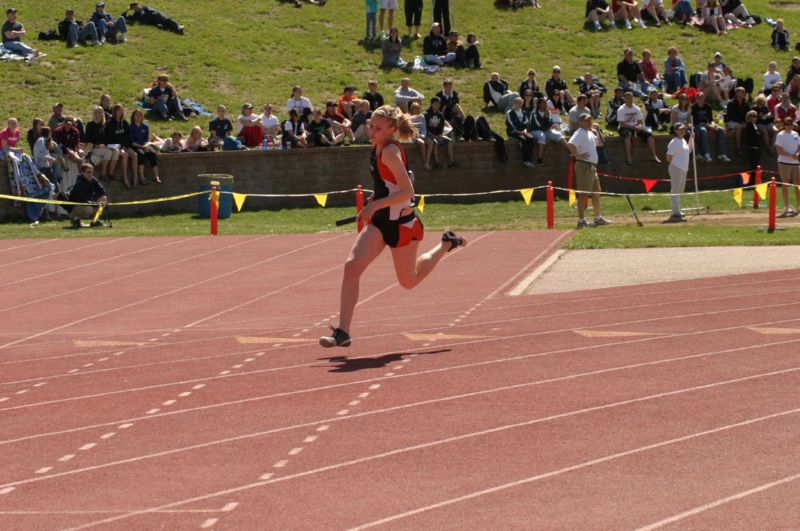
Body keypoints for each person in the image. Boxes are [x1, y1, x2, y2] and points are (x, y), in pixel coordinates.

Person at [319, 105, 466, 348]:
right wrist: (374, 200)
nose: (371, 131)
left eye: (377, 128)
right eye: (371, 126)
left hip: (402, 225)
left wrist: (374, 207)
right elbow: (388, 185)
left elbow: (408, 191)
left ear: (391, 130)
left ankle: (446, 244)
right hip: (380, 222)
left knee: (409, 281)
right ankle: (343, 332)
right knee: (352, 267)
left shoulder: (389, 152)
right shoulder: (375, 148)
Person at [567, 113, 612, 228]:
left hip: (592, 166)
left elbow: (601, 143)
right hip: (584, 166)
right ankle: (581, 220)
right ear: (581, 122)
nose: (589, 122)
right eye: (587, 121)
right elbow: (570, 144)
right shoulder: (580, 132)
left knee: (596, 192)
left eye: (590, 120)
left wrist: (597, 131)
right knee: (583, 193)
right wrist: (578, 156)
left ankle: (598, 217)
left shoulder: (590, 133)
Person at [617, 91, 660, 164]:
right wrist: (634, 128)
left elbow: (640, 121)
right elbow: (621, 124)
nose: (630, 100)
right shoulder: (621, 109)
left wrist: (640, 127)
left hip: (635, 126)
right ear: (625, 99)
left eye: (631, 98)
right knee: (628, 136)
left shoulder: (636, 108)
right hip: (624, 127)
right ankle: (629, 158)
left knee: (650, 135)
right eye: (628, 98)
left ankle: (654, 156)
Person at [665, 122, 693, 222]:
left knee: (680, 189)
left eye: (684, 129)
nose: (682, 131)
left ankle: (677, 210)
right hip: (676, 168)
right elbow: (668, 157)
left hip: (684, 168)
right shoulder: (674, 142)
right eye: (680, 129)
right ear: (676, 130)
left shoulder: (683, 140)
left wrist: (692, 139)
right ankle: (675, 211)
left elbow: (688, 150)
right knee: (676, 189)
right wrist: (677, 163)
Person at [692, 93, 730, 162]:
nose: (702, 100)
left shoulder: (708, 107)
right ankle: (707, 154)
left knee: (721, 130)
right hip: (697, 126)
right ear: (696, 99)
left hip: (707, 125)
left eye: (703, 98)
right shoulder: (693, 107)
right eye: (700, 98)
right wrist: (707, 126)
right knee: (704, 130)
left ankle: (722, 154)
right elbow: (695, 122)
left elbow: (710, 119)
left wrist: (713, 125)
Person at [106, 104, 138, 187]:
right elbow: (109, 137)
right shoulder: (110, 123)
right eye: (119, 110)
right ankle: (125, 177)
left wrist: (124, 145)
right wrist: (119, 146)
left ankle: (135, 177)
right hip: (114, 146)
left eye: (122, 110)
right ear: (115, 111)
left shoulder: (124, 122)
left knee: (134, 155)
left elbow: (128, 136)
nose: (121, 112)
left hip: (124, 145)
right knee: (125, 155)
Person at [530, 97, 568, 164]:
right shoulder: (533, 113)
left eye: (546, 103)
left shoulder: (548, 112)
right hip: (535, 131)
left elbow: (550, 123)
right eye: (544, 103)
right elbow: (537, 125)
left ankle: (571, 150)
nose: (546, 105)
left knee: (558, 134)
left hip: (545, 130)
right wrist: (548, 127)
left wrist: (546, 116)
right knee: (541, 136)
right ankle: (540, 157)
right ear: (539, 105)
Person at [69, 163, 107, 228]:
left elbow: (102, 191)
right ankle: (75, 219)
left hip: (87, 203)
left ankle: (96, 220)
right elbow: (81, 200)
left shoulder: (93, 180)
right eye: (88, 172)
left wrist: (97, 201)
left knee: (103, 198)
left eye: (92, 172)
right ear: (82, 173)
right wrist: (95, 203)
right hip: (75, 207)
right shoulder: (79, 183)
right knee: (90, 209)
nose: (90, 174)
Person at [775, 117, 800, 216]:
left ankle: (799, 206)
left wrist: (797, 154)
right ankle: (786, 207)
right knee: (785, 184)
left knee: (797, 185)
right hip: (784, 162)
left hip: (795, 163)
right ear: (784, 125)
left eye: (790, 124)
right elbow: (779, 150)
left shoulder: (796, 134)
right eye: (787, 124)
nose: (789, 126)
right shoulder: (780, 135)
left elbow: (798, 147)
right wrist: (791, 155)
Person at [84, 106, 117, 180]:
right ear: (94, 114)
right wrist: (97, 144)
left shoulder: (103, 125)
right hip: (93, 148)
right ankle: (103, 173)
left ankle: (111, 173)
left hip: (102, 147)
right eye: (97, 112)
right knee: (108, 152)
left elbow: (106, 138)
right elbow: (88, 139)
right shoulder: (90, 124)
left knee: (116, 150)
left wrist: (104, 144)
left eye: (101, 112)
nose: (99, 114)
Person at [129, 108, 161, 183]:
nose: (138, 116)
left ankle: (156, 176)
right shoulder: (131, 127)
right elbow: (131, 142)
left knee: (153, 153)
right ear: (133, 117)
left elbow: (146, 140)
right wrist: (142, 147)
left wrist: (146, 145)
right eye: (136, 115)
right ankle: (142, 177)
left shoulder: (145, 126)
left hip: (144, 145)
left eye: (140, 115)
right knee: (141, 154)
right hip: (135, 146)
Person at [424, 97, 455, 169]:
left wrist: (440, 135)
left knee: (450, 141)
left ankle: (451, 161)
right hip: (429, 135)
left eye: (439, 104)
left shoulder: (440, 115)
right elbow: (426, 128)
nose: (438, 105)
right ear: (431, 104)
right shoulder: (426, 115)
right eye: (436, 104)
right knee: (434, 142)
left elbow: (441, 127)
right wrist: (434, 136)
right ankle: (437, 162)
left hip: (438, 135)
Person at [506, 97, 535, 167]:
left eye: (521, 103)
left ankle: (529, 160)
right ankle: (525, 160)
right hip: (513, 132)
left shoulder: (523, 112)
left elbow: (526, 123)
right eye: (518, 103)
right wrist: (520, 132)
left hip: (523, 131)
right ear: (515, 103)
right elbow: (511, 125)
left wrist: (525, 130)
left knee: (531, 139)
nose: (520, 105)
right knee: (523, 140)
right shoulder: (510, 113)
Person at [725, 87, 749, 152]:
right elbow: (731, 116)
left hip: (742, 122)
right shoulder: (731, 103)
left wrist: (746, 122)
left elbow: (748, 115)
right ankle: (738, 147)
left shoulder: (746, 104)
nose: (743, 93)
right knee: (739, 127)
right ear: (736, 93)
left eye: (744, 92)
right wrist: (741, 122)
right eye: (741, 92)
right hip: (732, 121)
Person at [742, 110, 761, 182]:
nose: (754, 118)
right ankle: (750, 180)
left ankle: (754, 180)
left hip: (756, 147)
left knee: (755, 165)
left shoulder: (755, 125)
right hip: (751, 147)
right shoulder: (749, 125)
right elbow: (755, 135)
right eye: (752, 116)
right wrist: (758, 134)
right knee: (753, 165)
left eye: (755, 116)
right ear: (749, 117)